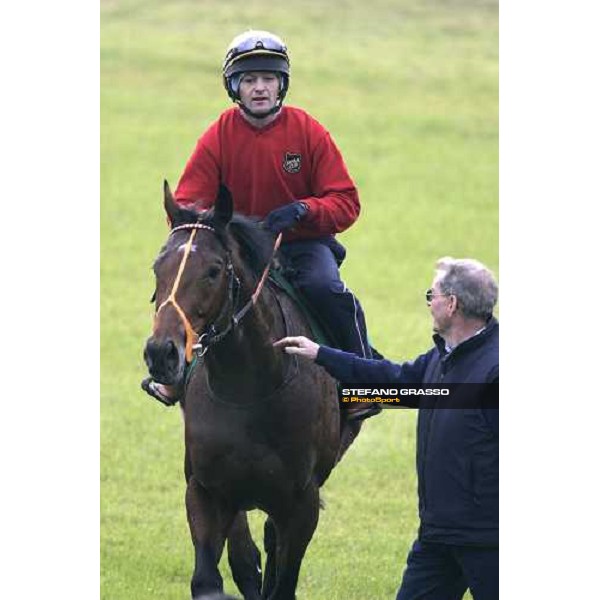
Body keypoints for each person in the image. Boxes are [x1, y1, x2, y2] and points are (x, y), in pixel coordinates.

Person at [143, 29, 375, 411]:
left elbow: (346, 202)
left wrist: (304, 210)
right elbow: (185, 201)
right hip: (237, 248)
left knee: (325, 287)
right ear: (234, 87)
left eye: (268, 79)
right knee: (186, 286)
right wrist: (213, 231)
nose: (260, 88)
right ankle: (172, 376)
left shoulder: (308, 131)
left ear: (282, 84)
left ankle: (363, 380)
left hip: (301, 244)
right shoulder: (219, 134)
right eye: (249, 80)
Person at [274, 257, 499, 600]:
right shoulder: (443, 358)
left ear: (452, 304)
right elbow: (396, 385)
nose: (428, 303)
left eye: (431, 295)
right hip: (438, 537)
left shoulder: (496, 370)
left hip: (489, 541)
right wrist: (321, 355)